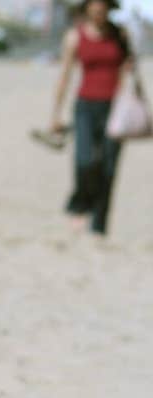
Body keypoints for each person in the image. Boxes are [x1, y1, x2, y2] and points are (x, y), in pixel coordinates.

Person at [49, 0, 143, 234]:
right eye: (94, 4)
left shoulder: (120, 35)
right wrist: (55, 115)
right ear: (88, 8)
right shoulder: (74, 36)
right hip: (85, 106)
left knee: (109, 168)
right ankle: (80, 205)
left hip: (115, 107)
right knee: (85, 160)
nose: (99, 9)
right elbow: (65, 75)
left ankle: (99, 224)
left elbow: (130, 68)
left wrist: (131, 75)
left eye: (102, 5)